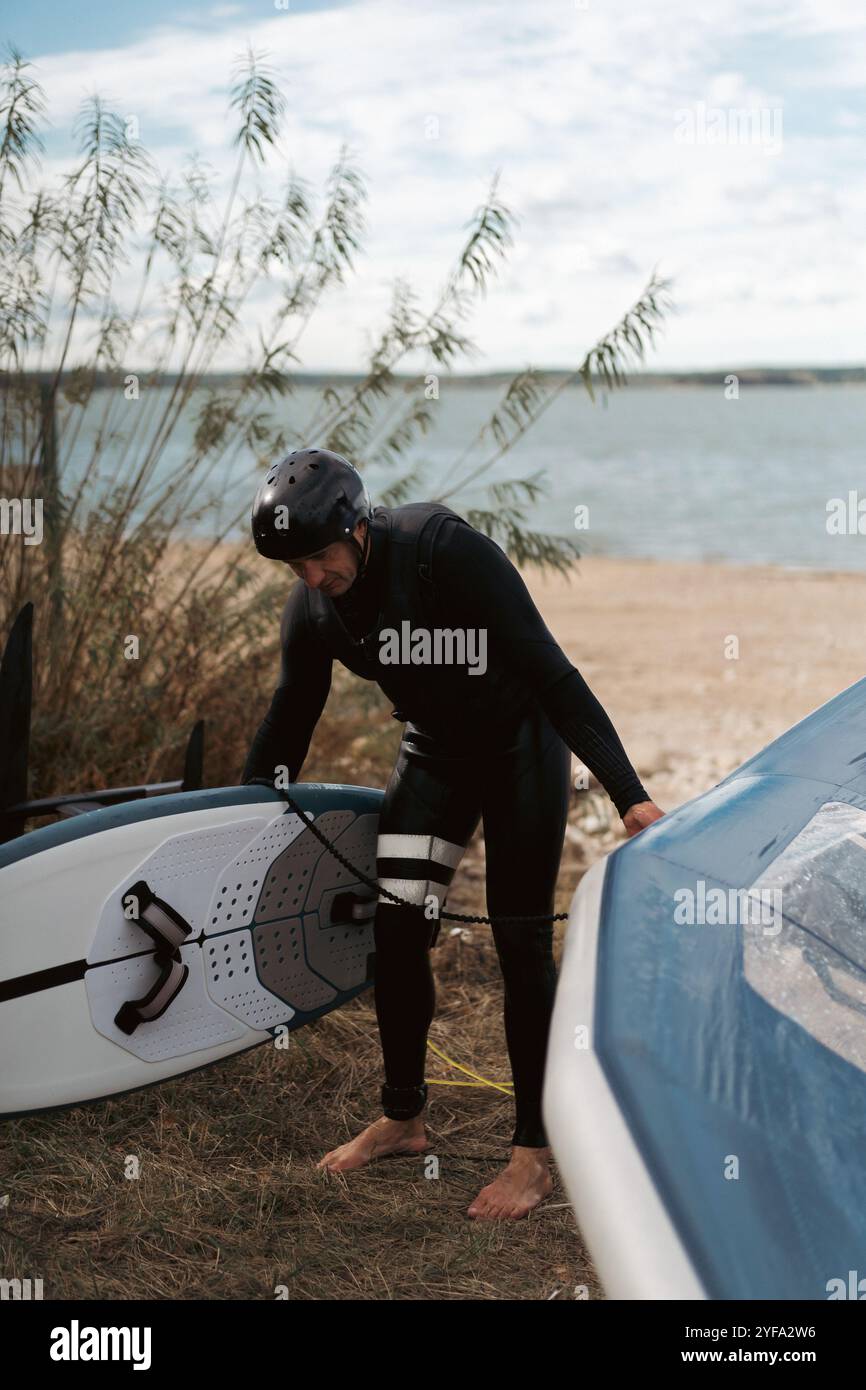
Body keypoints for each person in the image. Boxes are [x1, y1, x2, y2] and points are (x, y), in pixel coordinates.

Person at [243, 447, 664, 1219]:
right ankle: (404, 1119)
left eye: (319, 557)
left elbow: (552, 673)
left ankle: (533, 1158)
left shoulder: (444, 552)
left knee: (520, 942)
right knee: (398, 935)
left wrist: (627, 794)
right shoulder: (313, 608)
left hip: (519, 750)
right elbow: (291, 714)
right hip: (432, 755)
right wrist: (236, 816)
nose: (310, 578)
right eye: (293, 565)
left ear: (356, 527)